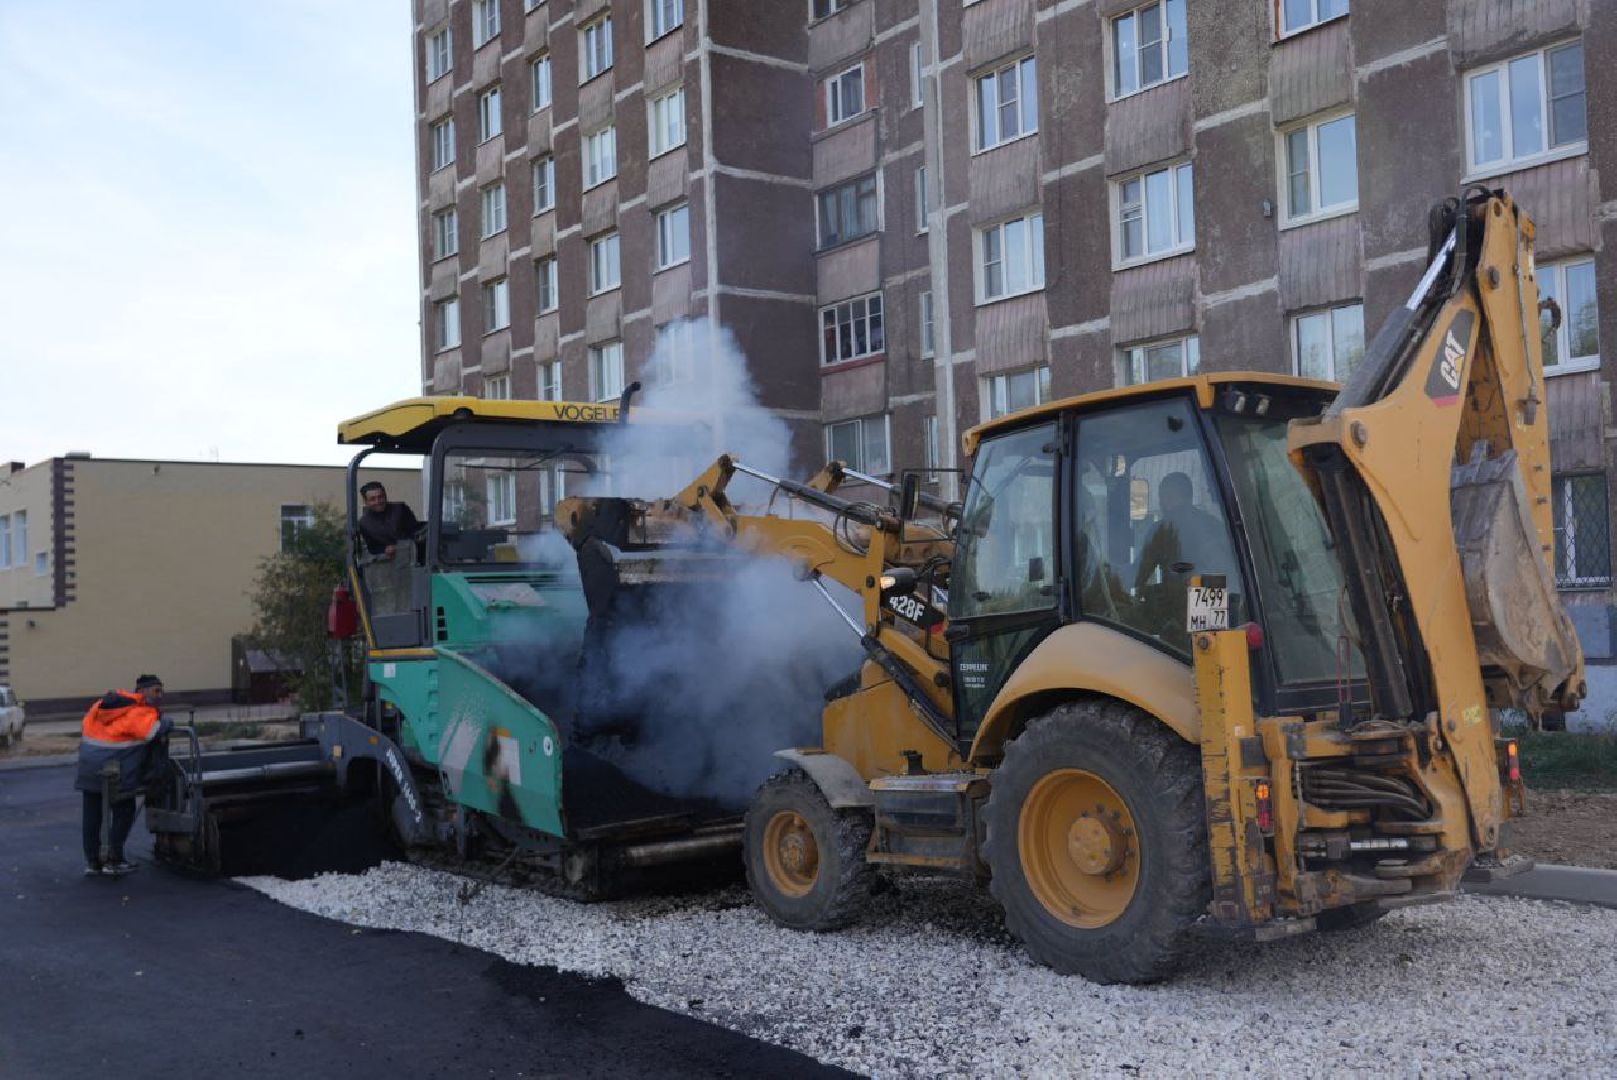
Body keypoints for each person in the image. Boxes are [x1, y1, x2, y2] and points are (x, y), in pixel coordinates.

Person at [76, 674, 171, 876]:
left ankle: (93, 862)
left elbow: (86, 726)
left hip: (88, 768)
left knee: (92, 815)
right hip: (115, 771)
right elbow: (153, 732)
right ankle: (114, 860)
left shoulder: (100, 705)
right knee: (124, 810)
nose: (160, 696)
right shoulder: (140, 711)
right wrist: (167, 721)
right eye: (156, 690)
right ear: (142, 691)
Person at [1134, 471, 1237, 591]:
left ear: (1168, 497)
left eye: (1163, 496)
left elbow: (1137, 576)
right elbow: (1228, 578)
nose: (1161, 502)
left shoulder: (1162, 530)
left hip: (1177, 607)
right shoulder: (1214, 525)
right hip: (1220, 605)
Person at [357, 481, 419, 558]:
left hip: (414, 554)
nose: (378, 501)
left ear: (385, 496)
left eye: (381, 497)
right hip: (389, 562)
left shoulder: (401, 509)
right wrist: (384, 549)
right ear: (365, 501)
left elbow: (415, 531)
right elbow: (372, 548)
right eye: (372, 499)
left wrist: (403, 545)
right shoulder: (364, 524)